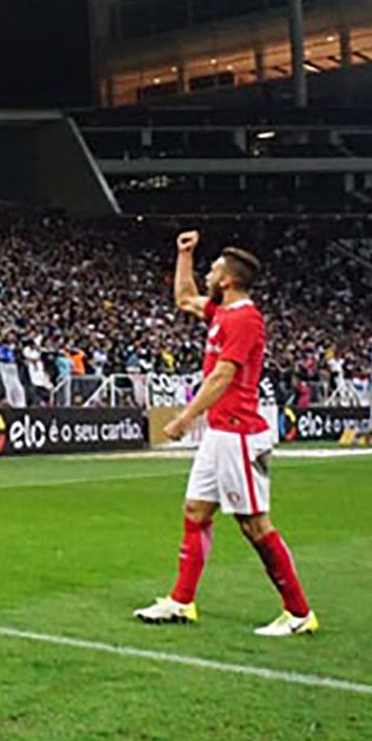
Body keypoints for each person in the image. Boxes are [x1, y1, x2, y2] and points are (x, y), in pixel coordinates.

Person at [136, 232, 315, 637]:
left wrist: (184, 417)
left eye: (214, 268)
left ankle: (299, 612)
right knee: (195, 513)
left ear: (229, 280)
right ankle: (182, 602)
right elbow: (184, 298)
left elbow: (223, 376)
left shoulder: (246, 319)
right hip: (218, 434)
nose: (209, 273)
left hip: (239, 434)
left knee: (255, 525)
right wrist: (185, 254)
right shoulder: (220, 313)